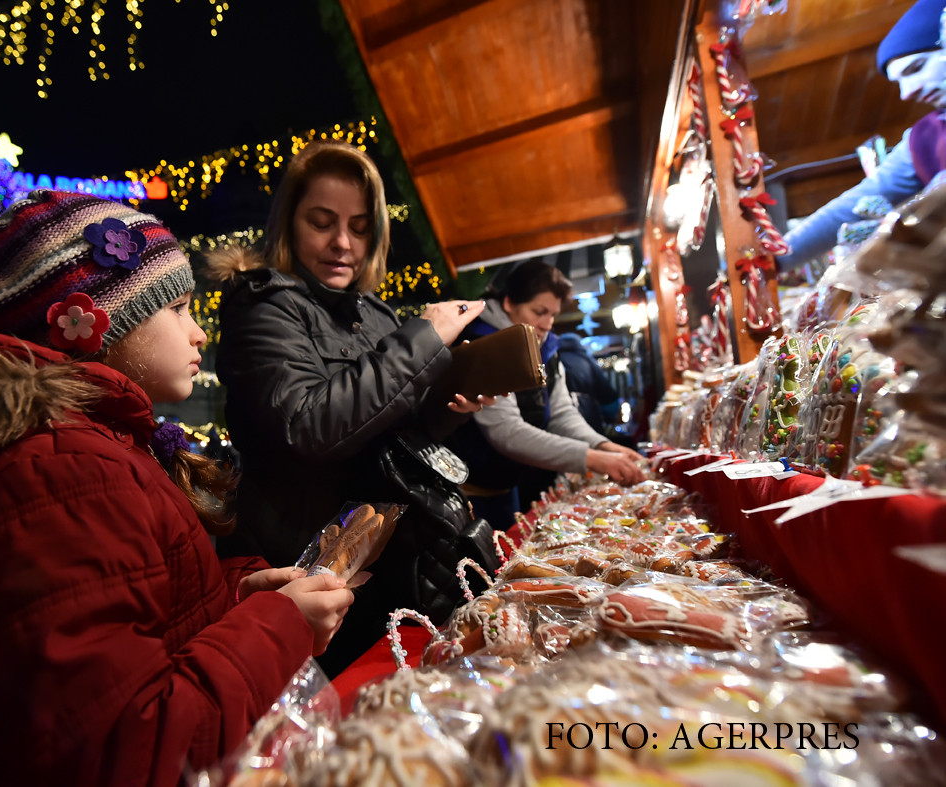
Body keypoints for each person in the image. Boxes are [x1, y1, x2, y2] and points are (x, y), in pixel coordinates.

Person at [0, 190, 354, 786]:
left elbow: (132, 630)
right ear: (91, 325)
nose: (198, 334)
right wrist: (278, 627)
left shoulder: (94, 450)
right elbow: (118, 746)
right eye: (178, 308)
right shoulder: (66, 475)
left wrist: (236, 600)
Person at [208, 140, 494, 675]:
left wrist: (452, 406)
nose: (342, 242)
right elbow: (309, 426)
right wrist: (422, 339)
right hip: (304, 574)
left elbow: (392, 437)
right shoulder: (262, 304)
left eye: (360, 228)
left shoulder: (375, 313)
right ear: (288, 223)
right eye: (322, 222)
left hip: (392, 568)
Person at [446, 260, 645, 530]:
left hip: (508, 486)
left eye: (552, 314)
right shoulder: (485, 344)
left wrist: (602, 445)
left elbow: (561, 414)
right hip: (467, 494)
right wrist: (592, 458)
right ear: (509, 303)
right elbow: (506, 432)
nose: (547, 324)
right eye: (539, 312)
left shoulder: (546, 348)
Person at [778, 0, 946, 268]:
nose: (907, 93)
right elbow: (854, 205)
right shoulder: (924, 138)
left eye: (916, 68)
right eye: (899, 83)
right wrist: (776, 258)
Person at [557, 332, 624, 437]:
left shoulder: (553, 359)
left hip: (559, 419)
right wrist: (610, 417)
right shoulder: (586, 360)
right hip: (587, 415)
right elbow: (606, 392)